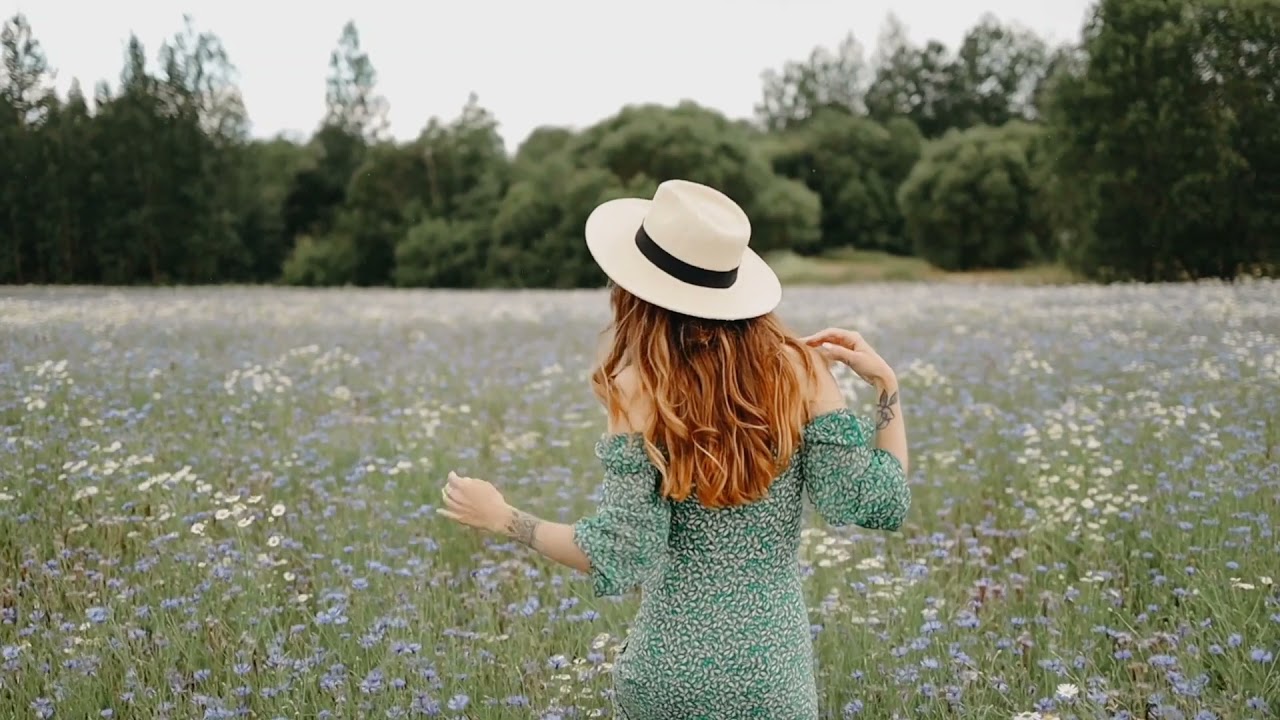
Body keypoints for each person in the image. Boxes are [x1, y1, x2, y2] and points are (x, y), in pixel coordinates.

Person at [438, 179, 911, 719]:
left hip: (666, 677)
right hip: (772, 677)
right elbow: (880, 503)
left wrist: (505, 519)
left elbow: (618, 552)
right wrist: (887, 386)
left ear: (635, 294)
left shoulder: (639, 391)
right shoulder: (801, 373)